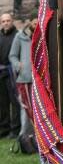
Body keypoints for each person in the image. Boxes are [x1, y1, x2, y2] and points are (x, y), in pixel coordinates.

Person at [9, 9, 35, 139]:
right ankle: (24, 137)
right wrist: (18, 65)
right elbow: (12, 55)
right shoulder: (20, 36)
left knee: (38, 109)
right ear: (29, 22)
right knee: (26, 109)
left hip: (38, 79)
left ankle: (38, 138)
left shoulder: (42, 35)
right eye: (34, 23)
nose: (36, 26)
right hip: (24, 79)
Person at [0, 13, 20, 138]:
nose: (6, 23)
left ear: (12, 21)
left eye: (8, 20)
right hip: (1, 73)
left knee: (15, 102)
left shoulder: (17, 36)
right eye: (3, 21)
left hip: (13, 73)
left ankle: (15, 129)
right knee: (2, 103)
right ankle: (4, 129)